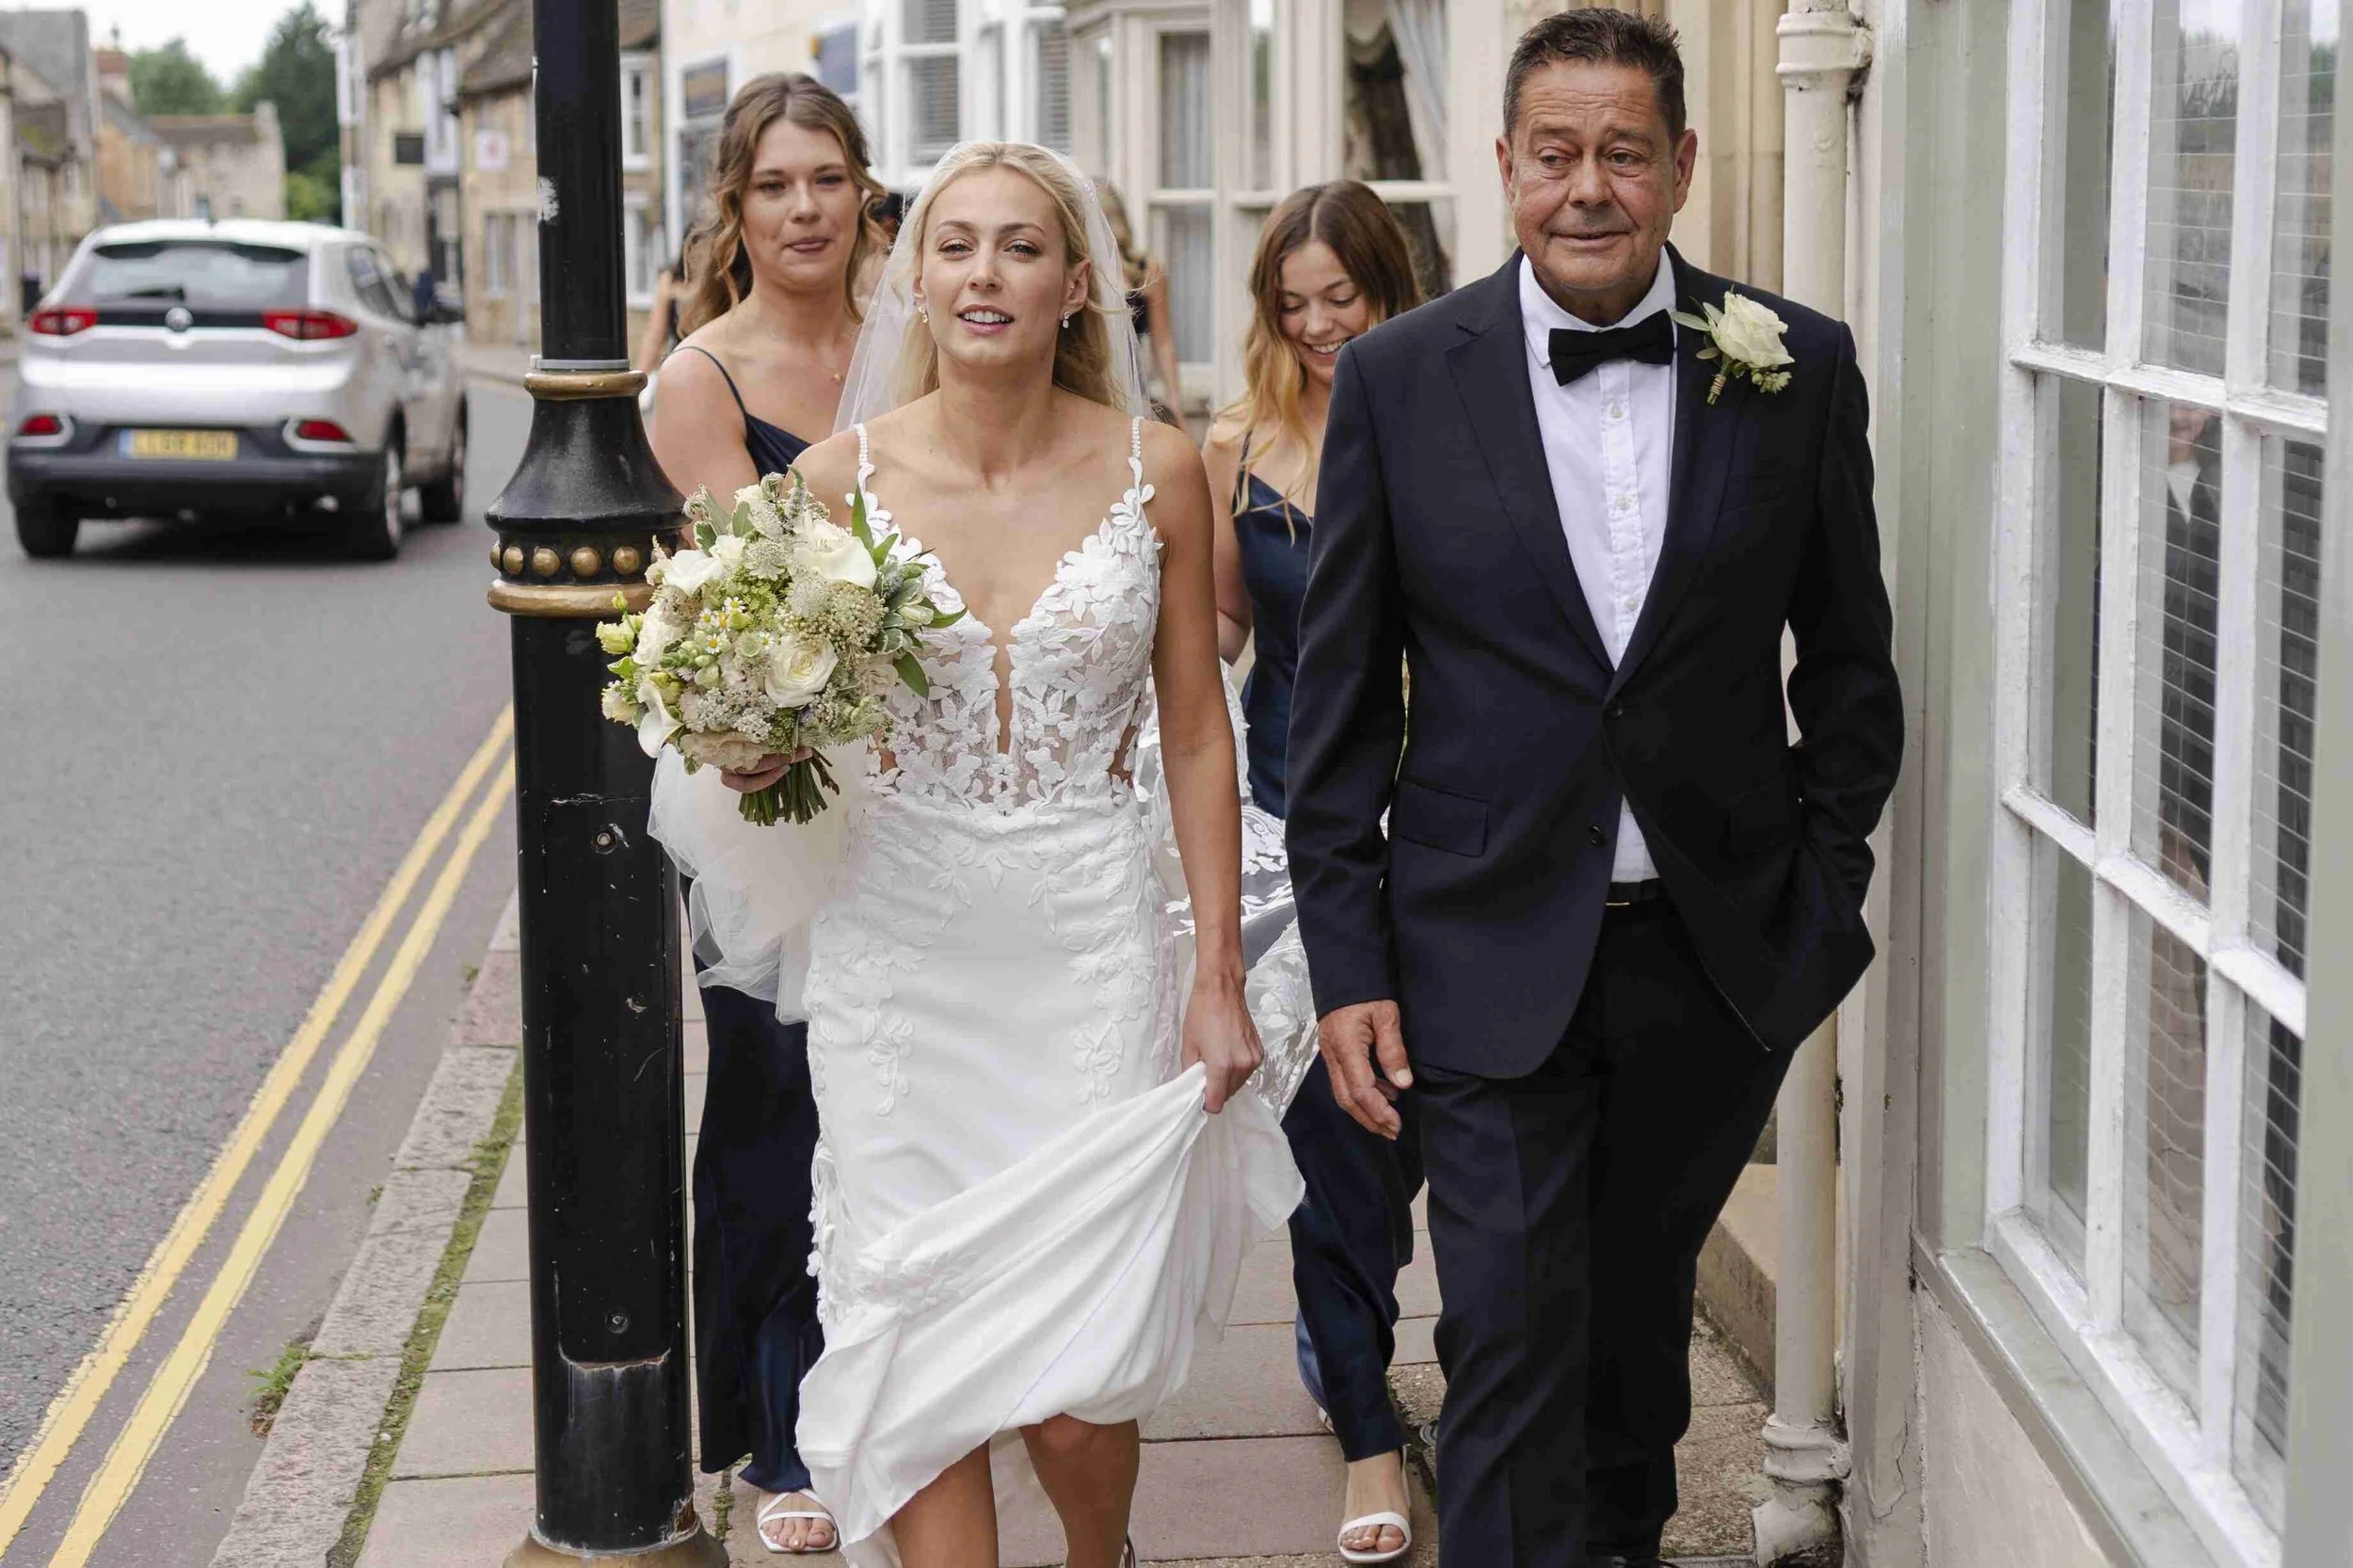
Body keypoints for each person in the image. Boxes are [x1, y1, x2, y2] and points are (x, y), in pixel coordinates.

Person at [1286, 11, 1904, 1567]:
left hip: (1714, 958)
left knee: (1630, 1357)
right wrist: (1348, 963)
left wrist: (1820, 896)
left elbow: (1851, 667)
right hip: (1479, 946)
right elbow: (1338, 707)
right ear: (1504, 165)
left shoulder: (1798, 364)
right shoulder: (1397, 379)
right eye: (1555, 152)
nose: (1588, 187)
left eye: (1624, 152)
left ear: (1681, 165)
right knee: (1504, 1340)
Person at [666, 141, 1304, 1568]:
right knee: (920, 1351)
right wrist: (752, 745)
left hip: (1089, 948)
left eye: (1020, 246)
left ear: (1075, 285)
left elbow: (1198, 734)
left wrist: (1216, 972)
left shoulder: (1157, 471)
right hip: (899, 958)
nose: (983, 274)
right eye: (954, 245)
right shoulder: (830, 485)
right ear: (916, 278)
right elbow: (758, 719)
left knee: (1077, 1396)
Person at [646, 71, 887, 1558]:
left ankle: (897, 1385)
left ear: (864, 190)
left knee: (893, 1084)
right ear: (735, 207)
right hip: (777, 774)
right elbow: (764, 599)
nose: (806, 209)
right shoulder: (700, 379)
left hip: (922, 769)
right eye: (776, 185)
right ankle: (773, 1428)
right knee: (776, 1089)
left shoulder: (921, 339)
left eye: (829, 178)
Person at [1202, 180, 1426, 1566]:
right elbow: (1220, 635)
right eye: (1294, 305)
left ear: (1392, 288)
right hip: (1290, 825)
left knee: (1417, 1140)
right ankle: (1368, 1429)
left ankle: (1362, 1323)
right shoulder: (1234, 445)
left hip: (1445, 826)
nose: (1320, 326)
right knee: (1333, 1139)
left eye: (1343, 297)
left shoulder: (1450, 422)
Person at [1096, 179, 1189, 438]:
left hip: (1135, 386)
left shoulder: (1146, 268)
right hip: (1091, 387)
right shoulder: (1079, 272)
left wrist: (1175, 402)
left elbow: (1163, 341)